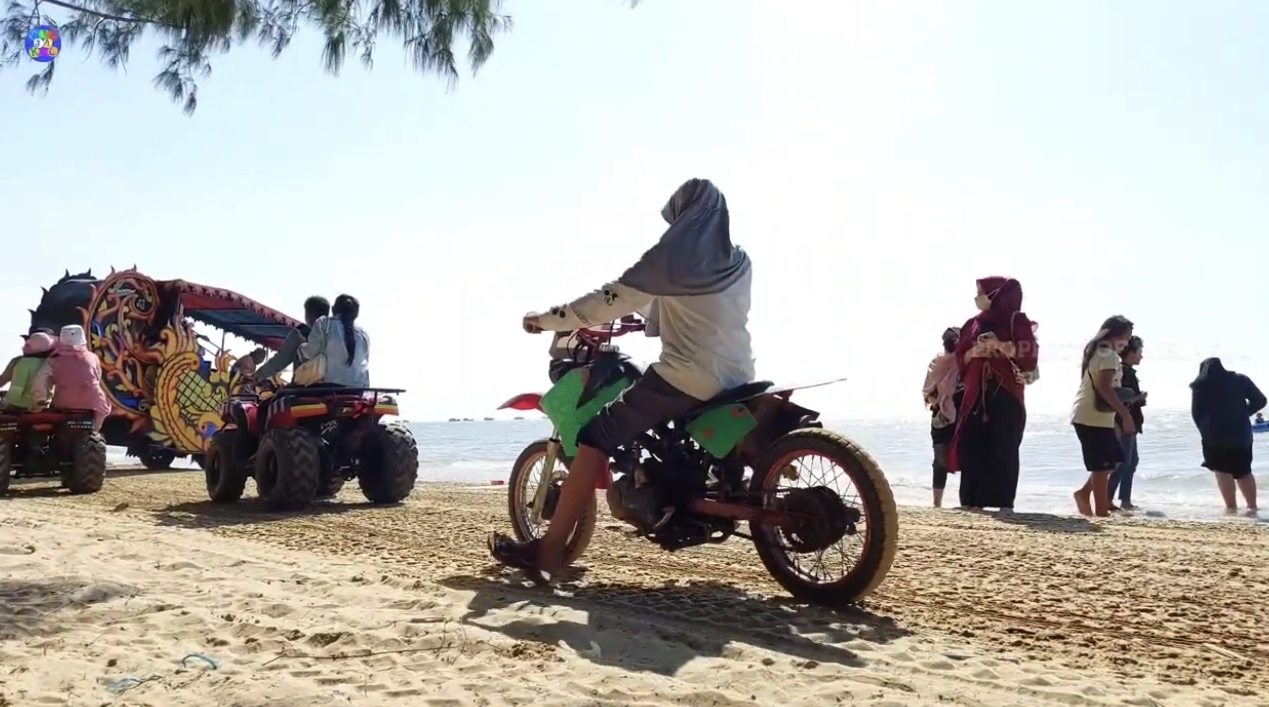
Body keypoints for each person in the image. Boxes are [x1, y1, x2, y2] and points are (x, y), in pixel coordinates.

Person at [488, 178, 754, 583]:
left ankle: (549, 551)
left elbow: (605, 300)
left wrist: (544, 320)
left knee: (595, 436)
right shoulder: (738, 261)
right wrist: (644, 314)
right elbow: (695, 306)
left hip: (688, 376)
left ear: (685, 218)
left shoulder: (669, 262)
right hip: (739, 374)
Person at [948, 278, 1038, 513]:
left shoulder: (1017, 322)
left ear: (995, 295)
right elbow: (960, 358)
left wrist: (999, 345)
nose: (977, 297)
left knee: (1005, 447)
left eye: (981, 292)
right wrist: (975, 352)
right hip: (975, 394)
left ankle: (1004, 503)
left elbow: (1028, 357)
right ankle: (970, 502)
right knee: (971, 445)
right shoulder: (972, 324)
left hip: (1006, 393)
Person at [1070, 316, 1135, 517]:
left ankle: (1083, 494)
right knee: (1102, 465)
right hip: (1091, 417)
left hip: (1095, 416)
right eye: (1126, 337)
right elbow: (1104, 388)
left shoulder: (1100, 352)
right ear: (1115, 335)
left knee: (1113, 461)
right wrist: (1125, 414)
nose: (1127, 342)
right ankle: (1101, 512)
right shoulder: (1108, 355)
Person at [1190, 357, 1264, 515]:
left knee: (1222, 472)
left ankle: (1231, 508)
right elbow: (1261, 400)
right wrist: (1244, 413)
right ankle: (1252, 507)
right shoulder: (1241, 380)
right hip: (1241, 435)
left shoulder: (1201, 385)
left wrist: (1204, 431)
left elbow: (1196, 413)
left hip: (1214, 437)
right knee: (1244, 471)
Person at [30, 325, 113, 430]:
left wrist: (40, 400)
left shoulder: (53, 360)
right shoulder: (93, 357)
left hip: (64, 402)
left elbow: (41, 379)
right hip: (94, 401)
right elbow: (98, 377)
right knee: (98, 420)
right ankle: (95, 431)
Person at [922, 326, 961, 508]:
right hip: (941, 417)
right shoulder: (936, 363)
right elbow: (927, 392)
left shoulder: (965, 363)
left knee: (967, 459)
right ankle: (937, 503)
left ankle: (968, 503)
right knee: (940, 461)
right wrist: (938, 402)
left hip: (963, 416)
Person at [1107, 336, 1147, 511]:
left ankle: (1124, 499)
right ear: (1130, 352)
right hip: (1125, 422)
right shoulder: (1125, 372)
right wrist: (1138, 398)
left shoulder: (1124, 371)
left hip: (1127, 421)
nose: (1141, 356)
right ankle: (1109, 498)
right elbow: (1122, 399)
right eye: (1139, 352)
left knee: (1131, 462)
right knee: (1124, 462)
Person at [298, 294, 370, 387]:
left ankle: (295, 384)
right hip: (358, 389)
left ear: (333, 309)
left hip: (328, 386)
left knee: (299, 350)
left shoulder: (324, 323)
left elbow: (311, 352)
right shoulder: (364, 334)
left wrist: (301, 348)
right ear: (356, 314)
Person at [254, 296, 331, 382]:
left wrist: (256, 376)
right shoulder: (335, 336)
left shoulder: (300, 334)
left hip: (303, 386)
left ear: (308, 315)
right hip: (333, 386)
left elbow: (280, 361)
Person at [0, 329, 57, 411]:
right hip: (43, 407)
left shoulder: (21, 362)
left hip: (20, 406)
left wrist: (4, 403)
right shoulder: (53, 362)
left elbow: (15, 389)